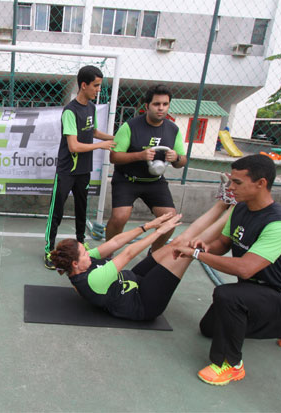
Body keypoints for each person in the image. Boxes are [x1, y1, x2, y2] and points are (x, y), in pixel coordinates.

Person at [173, 155, 281, 386]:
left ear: (261, 183)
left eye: (237, 183)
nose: (231, 187)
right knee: (208, 329)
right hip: (251, 291)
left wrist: (196, 254)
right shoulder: (240, 209)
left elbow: (245, 268)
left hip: (280, 294)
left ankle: (230, 365)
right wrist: (207, 247)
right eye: (231, 181)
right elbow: (224, 244)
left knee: (228, 295)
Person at [49, 199, 233, 322]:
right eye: (85, 254)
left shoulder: (81, 264)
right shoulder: (92, 280)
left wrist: (148, 226)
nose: (89, 254)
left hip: (132, 280)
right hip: (143, 303)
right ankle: (232, 211)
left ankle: (222, 202)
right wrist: (159, 231)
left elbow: (115, 242)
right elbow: (128, 253)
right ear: (75, 264)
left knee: (177, 242)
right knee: (186, 249)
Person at [44, 65, 116, 270]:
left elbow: (92, 131)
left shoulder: (91, 107)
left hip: (84, 170)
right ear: (83, 85)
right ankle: (49, 249)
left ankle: (81, 243)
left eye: (100, 86)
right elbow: (74, 145)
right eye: (95, 86)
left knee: (81, 209)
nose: (98, 90)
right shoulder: (70, 111)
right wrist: (101, 146)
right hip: (67, 170)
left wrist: (112, 137)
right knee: (56, 211)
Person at [106, 84, 187, 251]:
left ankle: (154, 253)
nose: (161, 108)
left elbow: (182, 162)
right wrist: (139, 155)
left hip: (155, 181)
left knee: (170, 220)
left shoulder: (173, 129)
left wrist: (176, 158)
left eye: (165, 104)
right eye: (157, 104)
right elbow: (114, 157)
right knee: (119, 217)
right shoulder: (130, 126)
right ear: (147, 106)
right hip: (127, 180)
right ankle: (107, 253)